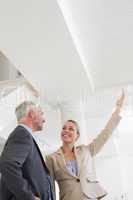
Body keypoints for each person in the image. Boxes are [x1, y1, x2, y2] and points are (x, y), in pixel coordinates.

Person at [46, 91, 125, 200]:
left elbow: (105, 134)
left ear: (77, 136)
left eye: (71, 129)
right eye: (64, 128)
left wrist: (118, 110)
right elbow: (50, 188)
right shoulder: (52, 158)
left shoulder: (86, 151)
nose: (66, 130)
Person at [0, 101, 55, 200]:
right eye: (41, 113)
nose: (44, 119)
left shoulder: (24, 135)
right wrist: (28, 197)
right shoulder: (22, 134)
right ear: (31, 114)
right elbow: (8, 165)